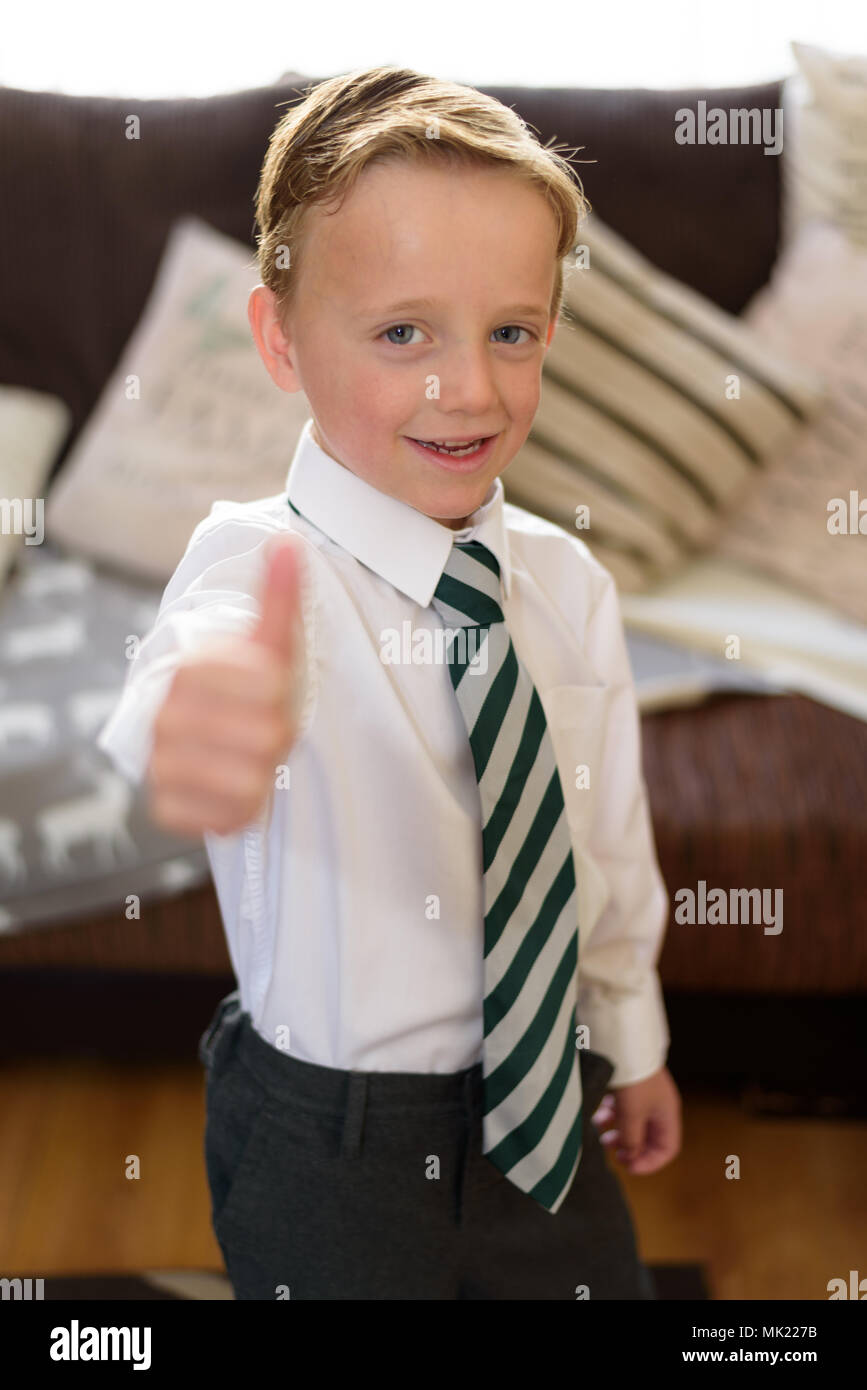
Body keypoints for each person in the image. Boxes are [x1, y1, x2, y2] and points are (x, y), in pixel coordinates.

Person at [97, 64, 681, 1300]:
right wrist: (191, 722)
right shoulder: (258, 572)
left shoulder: (569, 586)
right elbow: (190, 671)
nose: (466, 387)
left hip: (549, 1105)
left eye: (509, 331)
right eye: (403, 331)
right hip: (334, 1149)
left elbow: (602, 847)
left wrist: (633, 1040)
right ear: (281, 339)